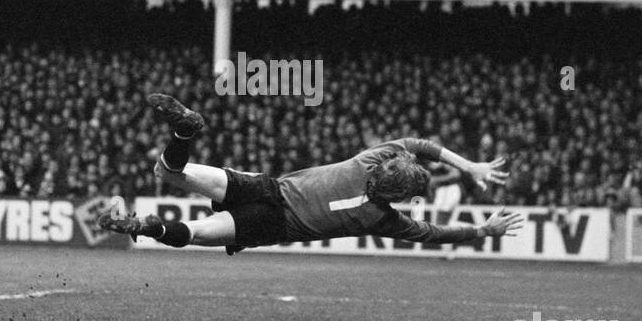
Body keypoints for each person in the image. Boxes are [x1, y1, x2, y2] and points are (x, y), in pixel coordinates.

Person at [99, 94, 522, 254]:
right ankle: (140, 226)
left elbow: (417, 144)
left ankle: (184, 131)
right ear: (399, 197)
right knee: (192, 233)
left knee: (168, 170)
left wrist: (468, 165)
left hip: (265, 185)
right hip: (270, 222)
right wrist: (483, 231)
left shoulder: (369, 160)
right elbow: (435, 233)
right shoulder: (383, 218)